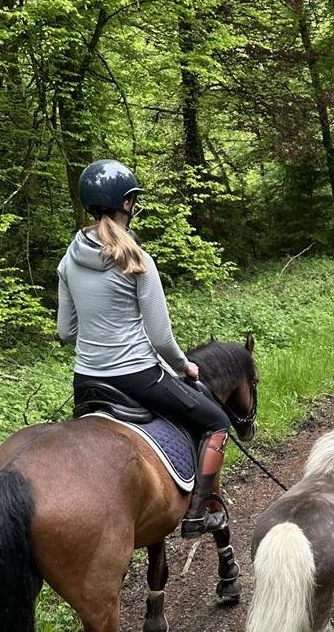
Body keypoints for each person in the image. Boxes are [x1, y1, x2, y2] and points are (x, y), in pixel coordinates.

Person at [57, 158, 230, 536]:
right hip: (137, 377)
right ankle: (200, 512)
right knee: (217, 420)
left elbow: (66, 331)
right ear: (127, 205)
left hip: (87, 382)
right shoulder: (138, 260)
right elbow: (160, 338)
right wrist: (185, 366)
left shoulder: (68, 263)